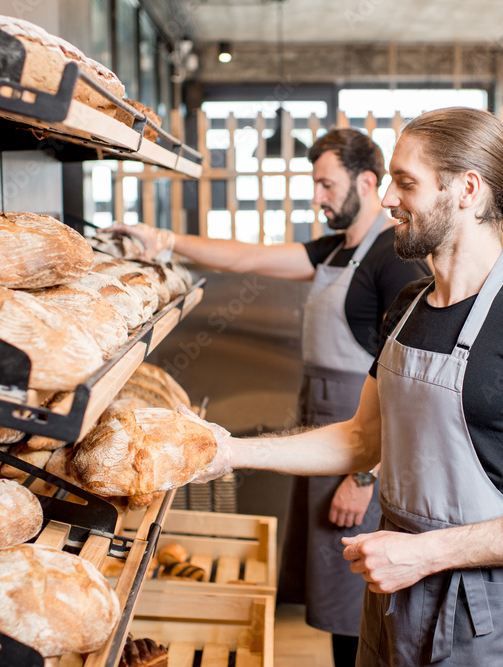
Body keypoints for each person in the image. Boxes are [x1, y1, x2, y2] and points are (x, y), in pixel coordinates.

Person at [183, 107, 503, 665]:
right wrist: (230, 450)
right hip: (390, 592)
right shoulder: (408, 307)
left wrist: (429, 553)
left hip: (477, 613)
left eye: (405, 182)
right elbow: (362, 440)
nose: (387, 198)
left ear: (466, 189)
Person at [108, 127, 430, 665]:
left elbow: (408, 385)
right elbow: (249, 259)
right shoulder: (336, 250)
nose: (318, 196)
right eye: (316, 185)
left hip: (363, 452)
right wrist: (163, 240)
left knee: (362, 595)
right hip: (325, 441)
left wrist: (364, 477)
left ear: (368, 182)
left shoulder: (391, 260)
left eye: (327, 185)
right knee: (335, 593)